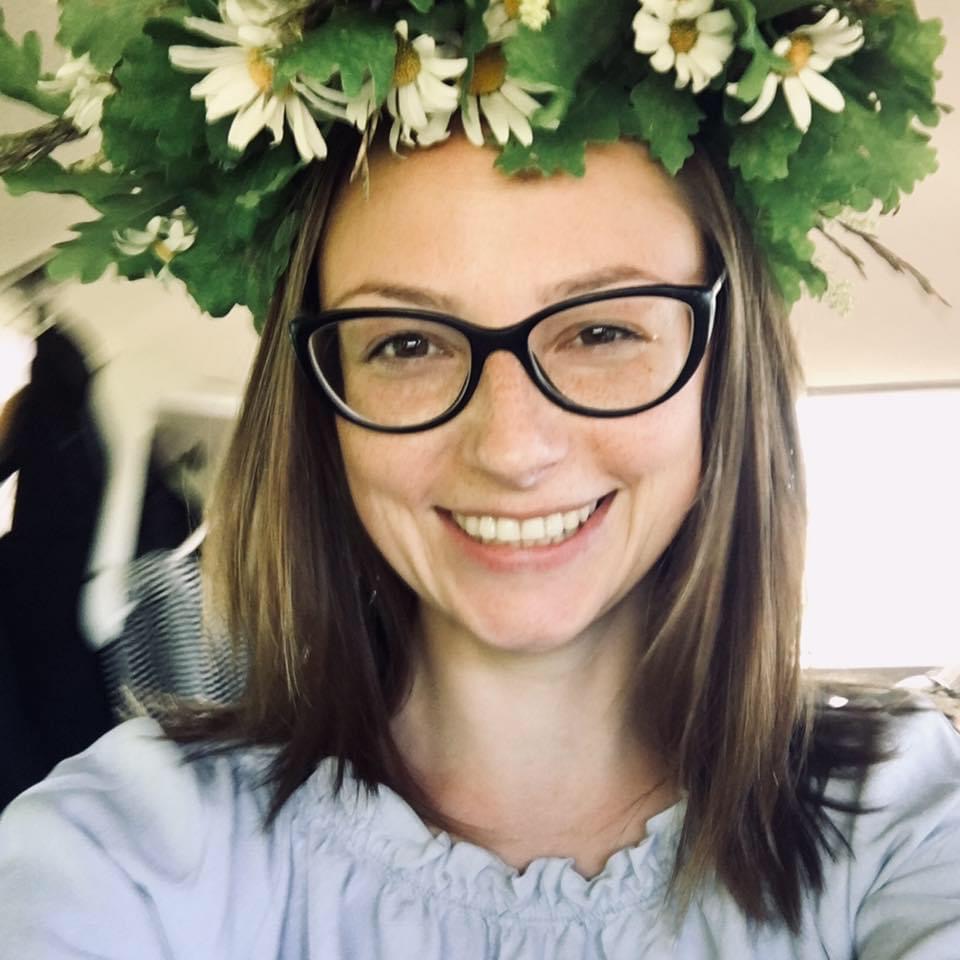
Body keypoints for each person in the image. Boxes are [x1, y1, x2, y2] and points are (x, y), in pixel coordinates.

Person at [0, 1, 957, 957]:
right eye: (407, 344)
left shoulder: (905, 817)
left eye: (601, 331)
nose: (510, 447)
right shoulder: (133, 846)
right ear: (325, 409)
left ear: (723, 373)